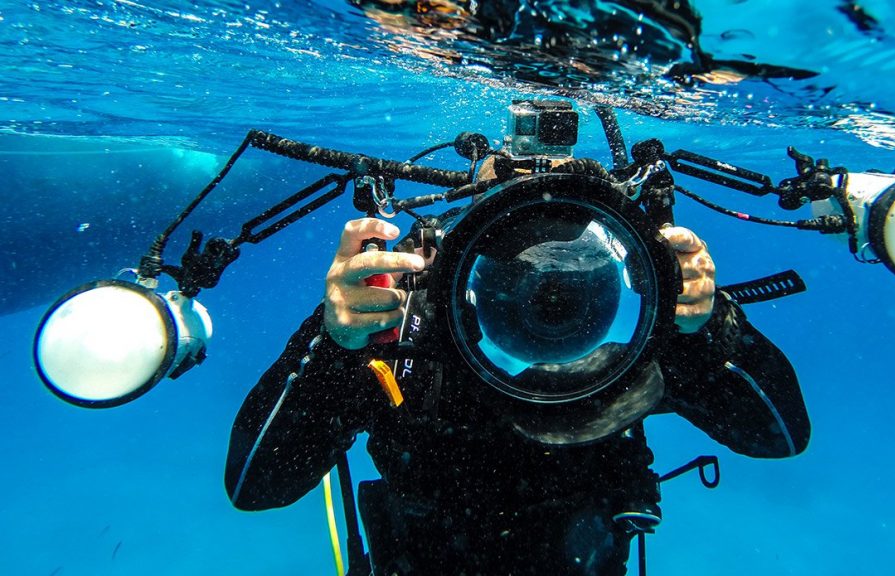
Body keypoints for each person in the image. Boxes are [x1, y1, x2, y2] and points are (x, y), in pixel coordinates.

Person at [225, 136, 811, 575]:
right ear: (459, 237)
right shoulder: (409, 328)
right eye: (510, 248)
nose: (548, 286)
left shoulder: (641, 341)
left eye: (576, 263)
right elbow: (258, 484)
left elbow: (779, 434)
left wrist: (704, 322)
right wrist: (336, 340)